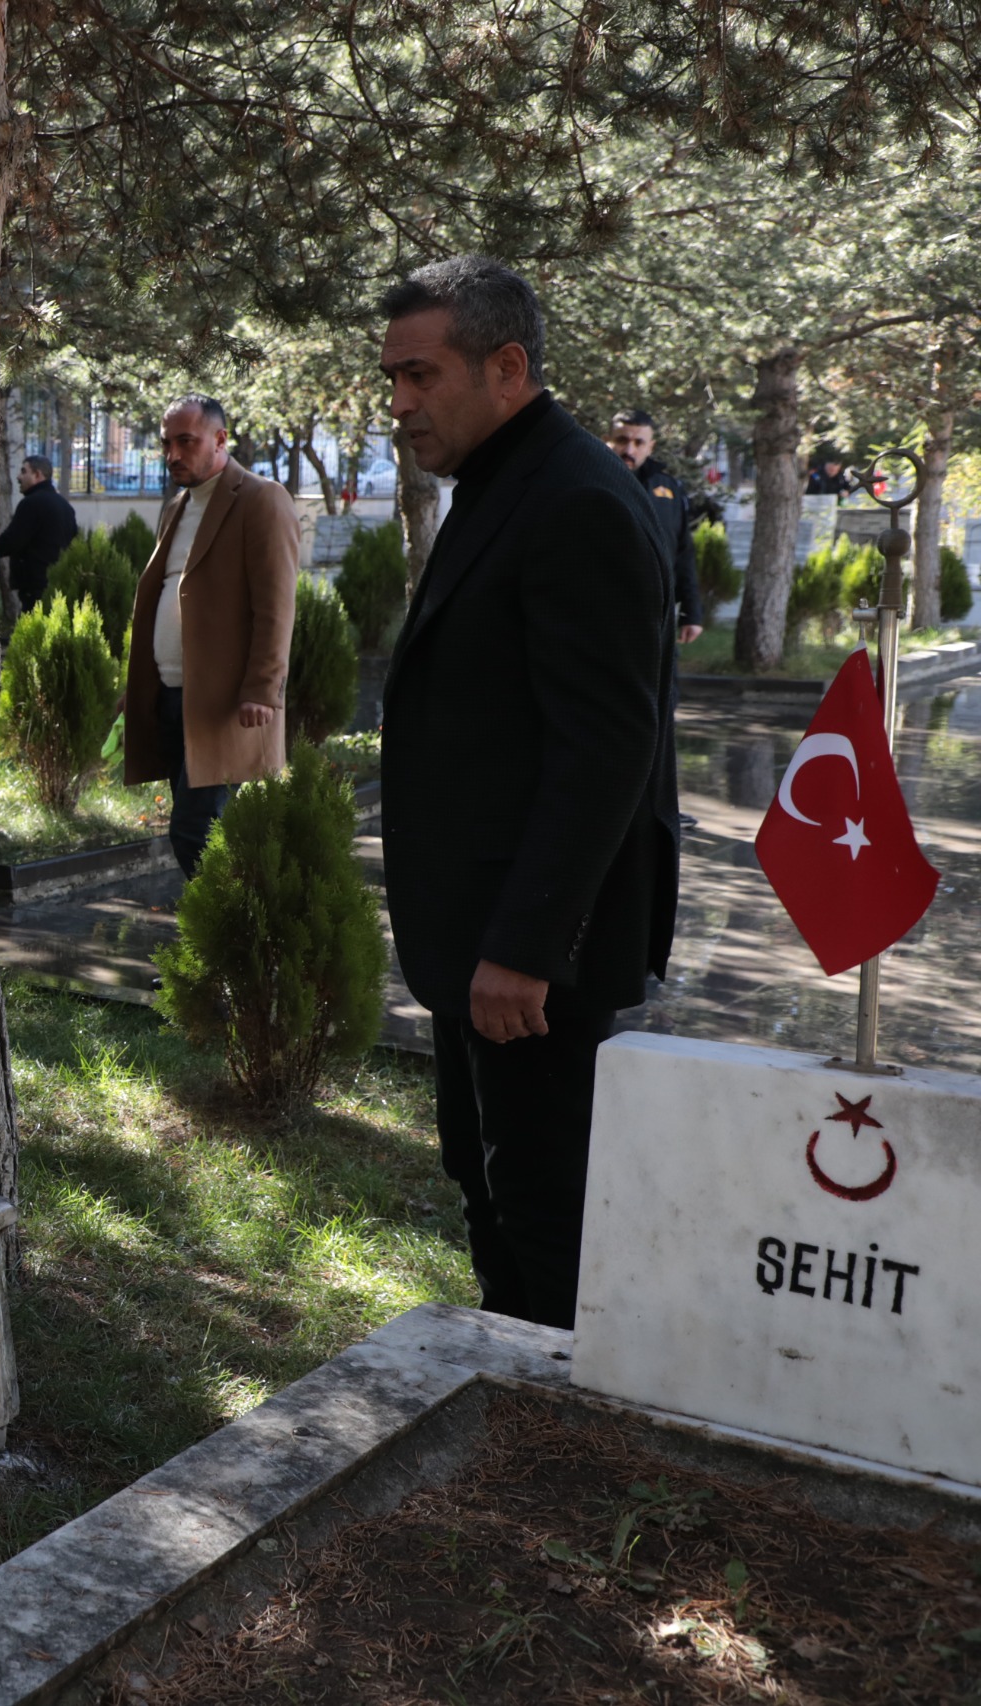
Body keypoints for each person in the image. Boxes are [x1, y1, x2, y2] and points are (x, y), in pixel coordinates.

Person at [377, 256, 678, 1330]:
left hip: (528, 966)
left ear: (506, 367)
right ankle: (511, 1407)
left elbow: (604, 750)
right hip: (483, 948)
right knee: (492, 1187)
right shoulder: (507, 481)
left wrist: (523, 945)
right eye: (392, 380)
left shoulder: (573, 499)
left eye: (420, 376)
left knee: (549, 1219)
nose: (400, 404)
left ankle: (558, 1446)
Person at [114, 395, 297, 877]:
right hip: (172, 696)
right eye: (166, 443)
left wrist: (262, 688)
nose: (173, 453)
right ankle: (233, 931)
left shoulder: (261, 498)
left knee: (193, 831)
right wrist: (138, 687)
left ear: (220, 439)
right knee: (206, 829)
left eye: (186, 441)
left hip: (224, 704)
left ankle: (233, 934)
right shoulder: (176, 506)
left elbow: (276, 605)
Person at [606, 409, 705, 643]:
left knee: (662, 679)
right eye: (622, 440)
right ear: (607, 441)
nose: (629, 450)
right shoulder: (586, 480)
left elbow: (682, 551)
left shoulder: (668, 489)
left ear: (650, 446)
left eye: (638, 442)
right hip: (602, 613)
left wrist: (692, 613)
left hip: (655, 613)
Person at [0, 454, 77, 611]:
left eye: (24, 471)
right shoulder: (65, 506)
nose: (19, 477)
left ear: (38, 475)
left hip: (35, 586)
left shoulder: (31, 504)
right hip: (58, 582)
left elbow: (12, 540)